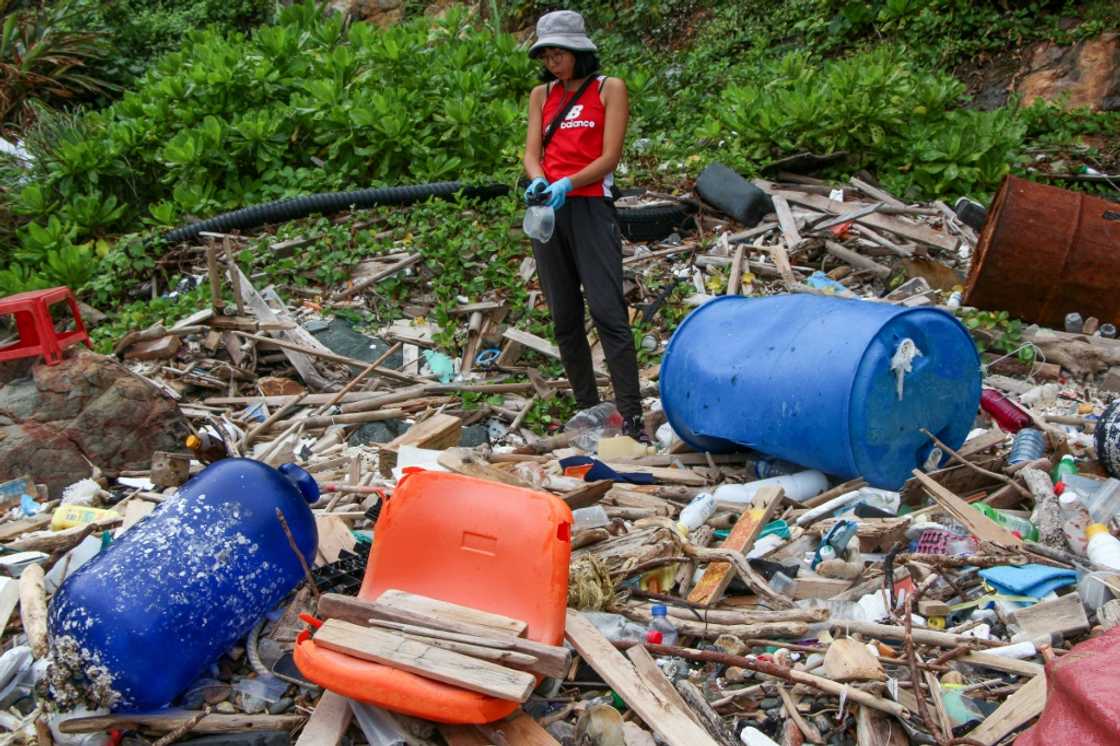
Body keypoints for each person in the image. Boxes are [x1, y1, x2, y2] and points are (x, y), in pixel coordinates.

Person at [521, 10, 646, 441]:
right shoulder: (542, 95)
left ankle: (631, 415)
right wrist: (539, 178)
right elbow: (531, 152)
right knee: (564, 317)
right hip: (550, 213)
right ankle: (589, 409)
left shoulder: (608, 89)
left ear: (579, 50)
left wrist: (570, 182)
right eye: (546, 54)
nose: (553, 61)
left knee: (609, 312)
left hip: (591, 206)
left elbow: (610, 157)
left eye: (560, 53)